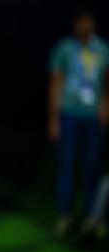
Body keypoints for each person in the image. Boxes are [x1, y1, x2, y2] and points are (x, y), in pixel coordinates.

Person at [47, 7, 109, 237]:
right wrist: (54, 118)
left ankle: (93, 217)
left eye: (88, 20)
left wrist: (104, 107)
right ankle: (65, 215)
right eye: (80, 21)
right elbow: (56, 82)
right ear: (75, 24)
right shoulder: (64, 48)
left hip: (93, 117)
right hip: (69, 114)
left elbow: (106, 82)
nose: (84, 25)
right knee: (68, 165)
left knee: (92, 167)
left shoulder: (103, 50)